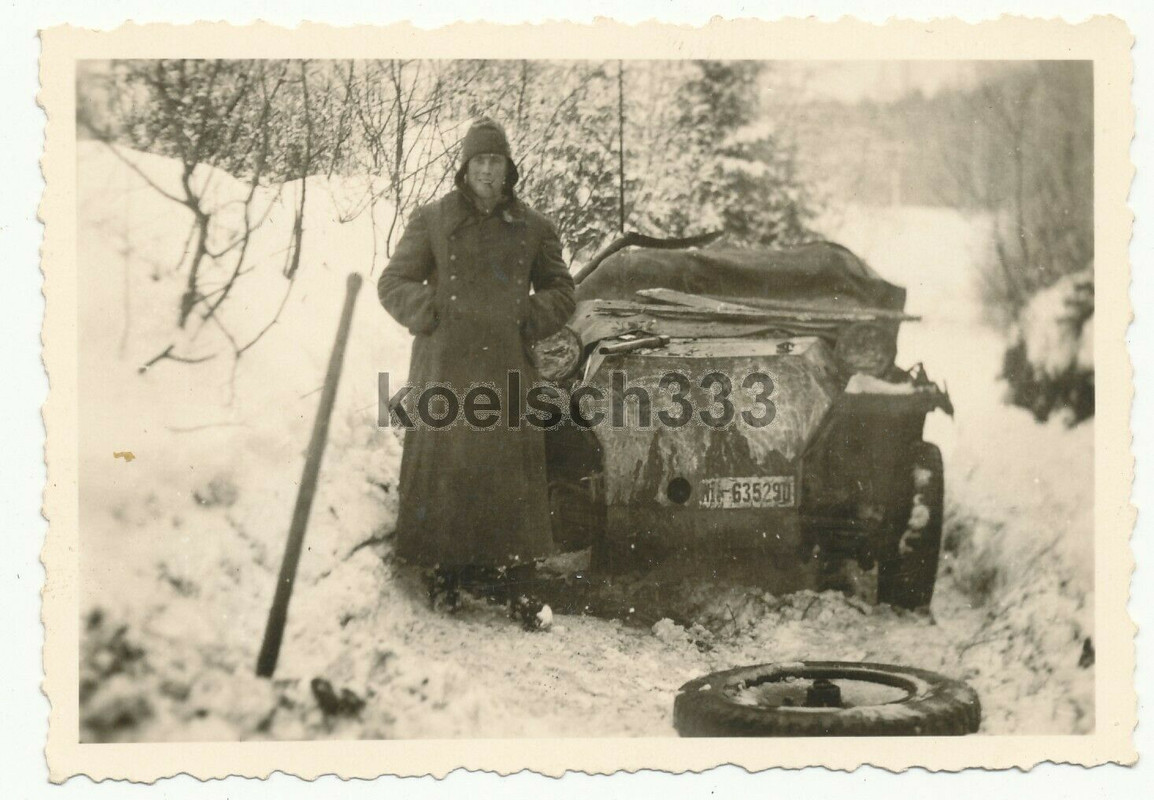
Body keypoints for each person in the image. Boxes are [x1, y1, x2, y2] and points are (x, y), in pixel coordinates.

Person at [378, 117, 576, 623]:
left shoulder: (534, 227)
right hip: (446, 365)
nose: (488, 171)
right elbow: (394, 282)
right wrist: (434, 312)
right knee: (448, 468)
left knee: (511, 475)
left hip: (507, 365)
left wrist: (525, 317)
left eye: (496, 161)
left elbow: (561, 291)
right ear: (465, 168)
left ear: (509, 169)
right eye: (480, 161)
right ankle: (445, 574)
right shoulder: (433, 219)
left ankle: (519, 585)